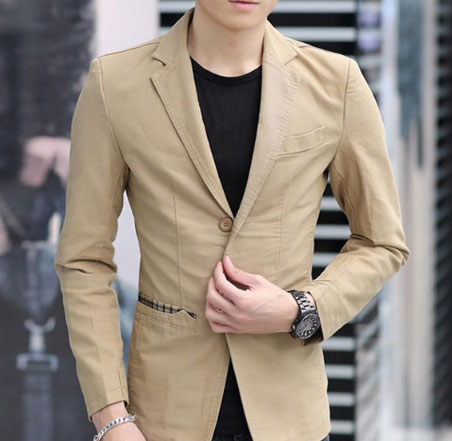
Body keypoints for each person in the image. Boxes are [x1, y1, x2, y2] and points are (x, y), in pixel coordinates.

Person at [54, 1, 410, 441]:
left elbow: (382, 241)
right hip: (164, 414)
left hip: (289, 410)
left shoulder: (337, 82)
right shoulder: (115, 84)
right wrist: (111, 417)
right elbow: (84, 260)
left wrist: (301, 309)